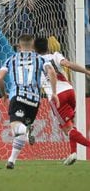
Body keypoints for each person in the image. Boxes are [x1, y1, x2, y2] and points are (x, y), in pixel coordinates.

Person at [0, 34, 59, 170]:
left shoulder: (11, 59)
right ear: (32, 45)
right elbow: (52, 73)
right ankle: (11, 160)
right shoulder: (41, 59)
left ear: (19, 46)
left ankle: (26, 131)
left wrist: (3, 94)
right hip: (35, 101)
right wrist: (54, 93)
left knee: (17, 129)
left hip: (18, 96)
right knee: (19, 133)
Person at [34, 36, 90, 165]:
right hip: (70, 92)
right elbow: (69, 65)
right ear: (47, 47)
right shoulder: (55, 55)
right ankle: (73, 153)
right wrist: (87, 72)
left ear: (35, 49)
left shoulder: (36, 61)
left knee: (67, 129)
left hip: (57, 96)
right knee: (71, 125)